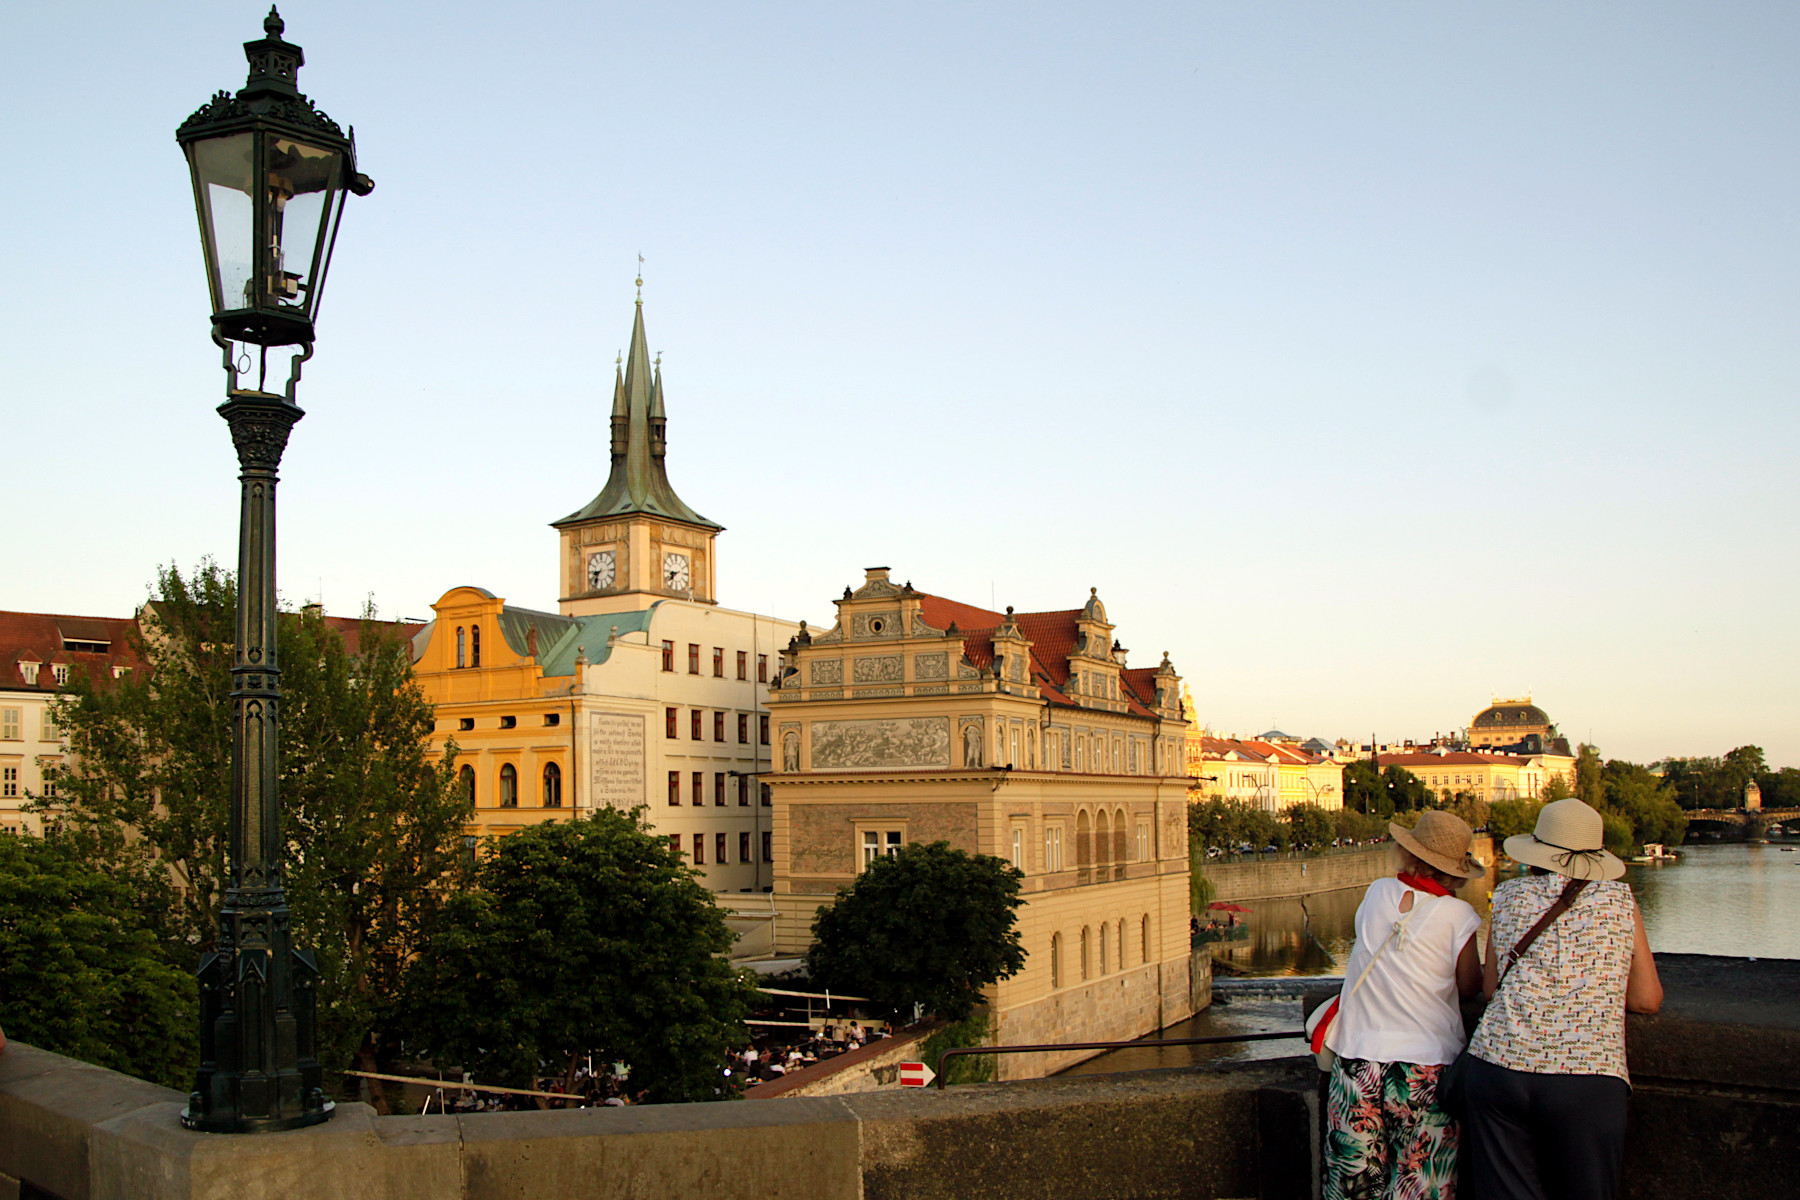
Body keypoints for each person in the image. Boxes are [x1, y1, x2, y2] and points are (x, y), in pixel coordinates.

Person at [1461, 798, 1663, 1200]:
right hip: (1586, 1078)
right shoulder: (1620, 901)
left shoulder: (1507, 895)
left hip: (1499, 1067)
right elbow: (1646, 999)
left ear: (1536, 850)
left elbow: (1489, 988)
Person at [1323, 810, 1485, 1200]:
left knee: (1355, 1186)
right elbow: (1468, 987)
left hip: (1356, 1063)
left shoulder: (1377, 892)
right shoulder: (1459, 915)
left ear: (1409, 852)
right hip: (1424, 1070)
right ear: (1457, 870)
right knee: (1420, 1186)